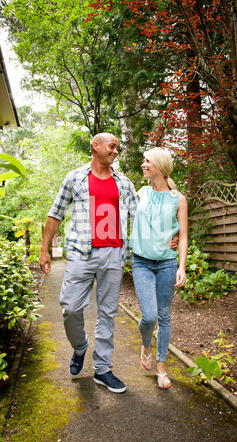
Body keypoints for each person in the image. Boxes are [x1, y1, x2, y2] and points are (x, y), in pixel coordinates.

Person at [39, 132, 137, 393]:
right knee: (70, 307)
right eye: (112, 146)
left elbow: (139, 217)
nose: (116, 151)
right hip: (82, 253)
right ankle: (80, 345)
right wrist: (44, 249)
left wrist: (167, 237)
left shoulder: (124, 183)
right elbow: (55, 213)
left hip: (114, 254)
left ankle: (103, 368)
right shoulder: (75, 178)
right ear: (96, 146)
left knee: (107, 312)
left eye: (118, 147)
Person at [130, 147, 188, 389]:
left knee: (164, 317)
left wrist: (181, 267)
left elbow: (183, 236)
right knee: (149, 316)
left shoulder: (178, 199)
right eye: (143, 160)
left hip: (166, 263)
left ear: (160, 167)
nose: (143, 164)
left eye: (147, 161)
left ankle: (161, 368)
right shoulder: (140, 192)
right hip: (141, 261)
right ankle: (146, 346)